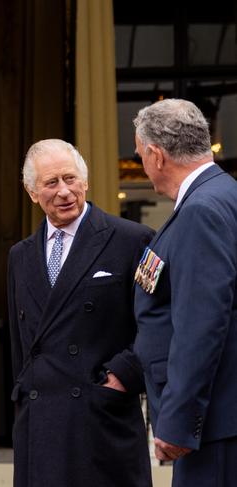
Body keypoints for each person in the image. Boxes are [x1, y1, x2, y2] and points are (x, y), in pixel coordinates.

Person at [7, 139, 154, 487]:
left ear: (85, 182)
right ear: (32, 192)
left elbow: (159, 323)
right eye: (51, 183)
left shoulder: (132, 240)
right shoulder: (20, 256)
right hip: (40, 423)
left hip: (101, 417)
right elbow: (20, 344)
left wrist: (123, 376)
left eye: (70, 179)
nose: (64, 191)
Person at [133, 99, 237, 486]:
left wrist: (178, 421)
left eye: (141, 154)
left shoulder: (201, 210)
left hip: (214, 428)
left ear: (157, 155)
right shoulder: (223, 193)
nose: (143, 166)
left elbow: (201, 325)